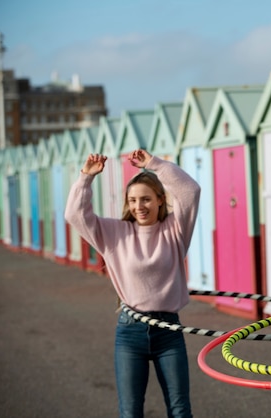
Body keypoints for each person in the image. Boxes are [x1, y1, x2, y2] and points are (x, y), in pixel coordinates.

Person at [65, 149, 201, 418]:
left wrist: (155, 164)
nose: (140, 206)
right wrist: (85, 178)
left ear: (161, 200)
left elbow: (190, 191)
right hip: (130, 332)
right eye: (134, 200)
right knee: (130, 412)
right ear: (128, 202)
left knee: (180, 410)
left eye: (147, 199)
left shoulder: (175, 230)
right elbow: (75, 215)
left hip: (168, 330)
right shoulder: (114, 234)